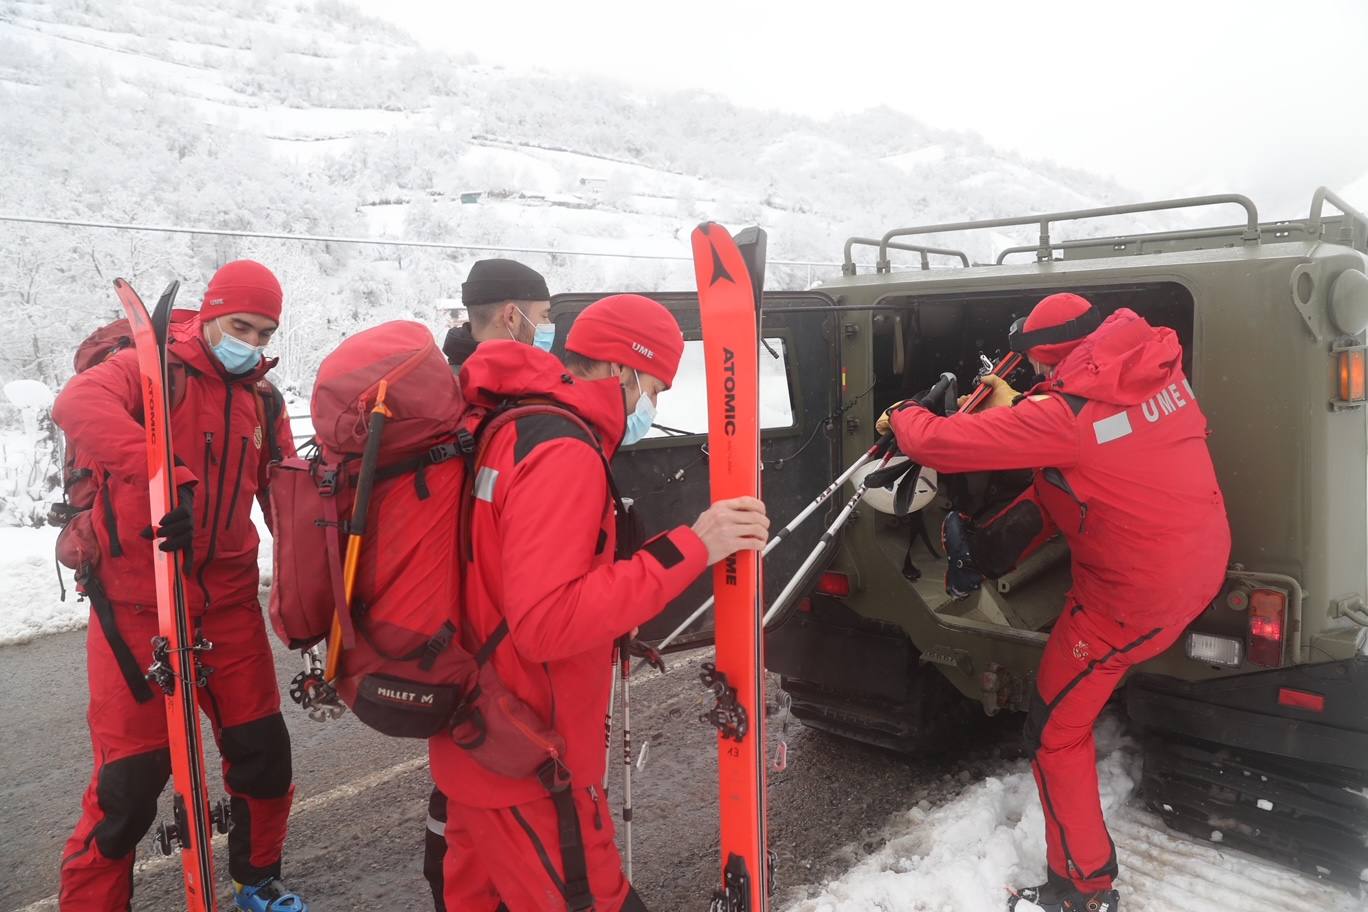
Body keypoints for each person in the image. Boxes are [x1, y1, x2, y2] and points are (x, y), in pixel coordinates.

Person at [877, 293, 1230, 912]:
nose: (1035, 379)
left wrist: (905, 415)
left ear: (1051, 355)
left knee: (1055, 733)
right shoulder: (1151, 367)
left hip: (1131, 600)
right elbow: (1093, 456)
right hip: (1194, 561)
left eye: (1037, 368)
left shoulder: (1064, 417)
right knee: (1061, 478)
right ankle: (988, 550)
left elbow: (941, 445)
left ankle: (1083, 888)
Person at [430, 293, 769, 911]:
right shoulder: (563, 452)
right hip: (530, 759)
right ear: (623, 370)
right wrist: (695, 546)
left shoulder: (513, 425)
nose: (652, 405)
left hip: (480, 734)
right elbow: (545, 623)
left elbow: (508, 584)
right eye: (654, 388)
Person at [53, 260, 308, 912]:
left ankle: (258, 881)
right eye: (238, 325)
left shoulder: (264, 399)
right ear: (211, 313)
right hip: (139, 602)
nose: (249, 342)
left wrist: (320, 582)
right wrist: (166, 472)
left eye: (263, 331)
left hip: (227, 605)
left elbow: (286, 498)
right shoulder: (152, 368)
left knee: (264, 758)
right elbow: (77, 403)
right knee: (128, 789)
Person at [427, 258, 555, 909]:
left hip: (440, 644)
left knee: (458, 822)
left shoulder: (449, 397)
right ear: (514, 315)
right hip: (494, 666)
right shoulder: (516, 408)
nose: (548, 328)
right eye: (546, 316)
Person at [443, 258, 554, 368]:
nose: (548, 323)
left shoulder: (449, 380)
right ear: (511, 317)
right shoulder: (517, 382)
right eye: (544, 316)